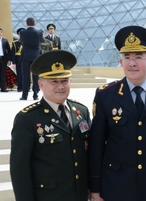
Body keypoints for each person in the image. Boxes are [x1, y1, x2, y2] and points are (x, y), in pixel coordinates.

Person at [88, 25, 146, 201]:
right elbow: (96, 144)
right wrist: (95, 186)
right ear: (121, 62)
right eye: (127, 57)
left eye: (139, 57)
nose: (132, 63)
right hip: (116, 184)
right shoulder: (105, 94)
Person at [10, 50, 91, 201]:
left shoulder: (81, 112)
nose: (61, 86)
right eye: (54, 82)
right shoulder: (27, 119)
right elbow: (19, 169)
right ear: (41, 84)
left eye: (64, 81)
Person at [19, 17, 44, 100]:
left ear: (26, 23)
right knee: (36, 76)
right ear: (35, 23)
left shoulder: (22, 32)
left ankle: (24, 95)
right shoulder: (39, 32)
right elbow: (42, 41)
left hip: (26, 56)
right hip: (36, 56)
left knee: (25, 76)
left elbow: (21, 41)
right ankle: (35, 95)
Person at [11, 28, 25, 92]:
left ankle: (25, 87)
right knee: (19, 74)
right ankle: (20, 87)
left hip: (25, 60)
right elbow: (13, 52)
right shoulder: (15, 43)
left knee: (25, 74)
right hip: (18, 59)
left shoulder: (27, 42)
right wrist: (13, 61)